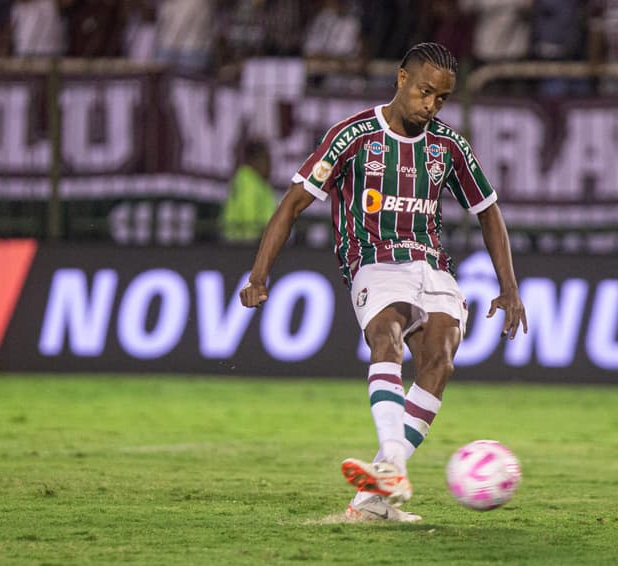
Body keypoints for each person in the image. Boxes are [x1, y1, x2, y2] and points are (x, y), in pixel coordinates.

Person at [239, 42, 528, 522]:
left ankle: (375, 495)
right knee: (387, 337)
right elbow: (292, 203)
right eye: (424, 92)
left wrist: (509, 286)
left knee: (440, 358)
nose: (431, 105)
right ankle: (392, 460)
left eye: (441, 99)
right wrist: (258, 274)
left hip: (431, 264)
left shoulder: (448, 146)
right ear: (401, 79)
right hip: (373, 262)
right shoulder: (352, 137)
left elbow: (488, 211)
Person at [219, 140, 277, 242]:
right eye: (265, 160)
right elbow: (248, 221)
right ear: (253, 161)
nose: (270, 166)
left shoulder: (262, 184)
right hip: (243, 247)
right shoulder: (247, 181)